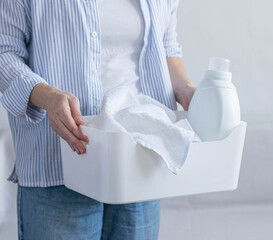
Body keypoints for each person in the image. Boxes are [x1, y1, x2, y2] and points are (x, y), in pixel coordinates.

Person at [0, 0, 195, 239]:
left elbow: (166, 48)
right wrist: (47, 95)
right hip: (57, 160)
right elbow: (5, 51)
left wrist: (185, 89)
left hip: (140, 160)